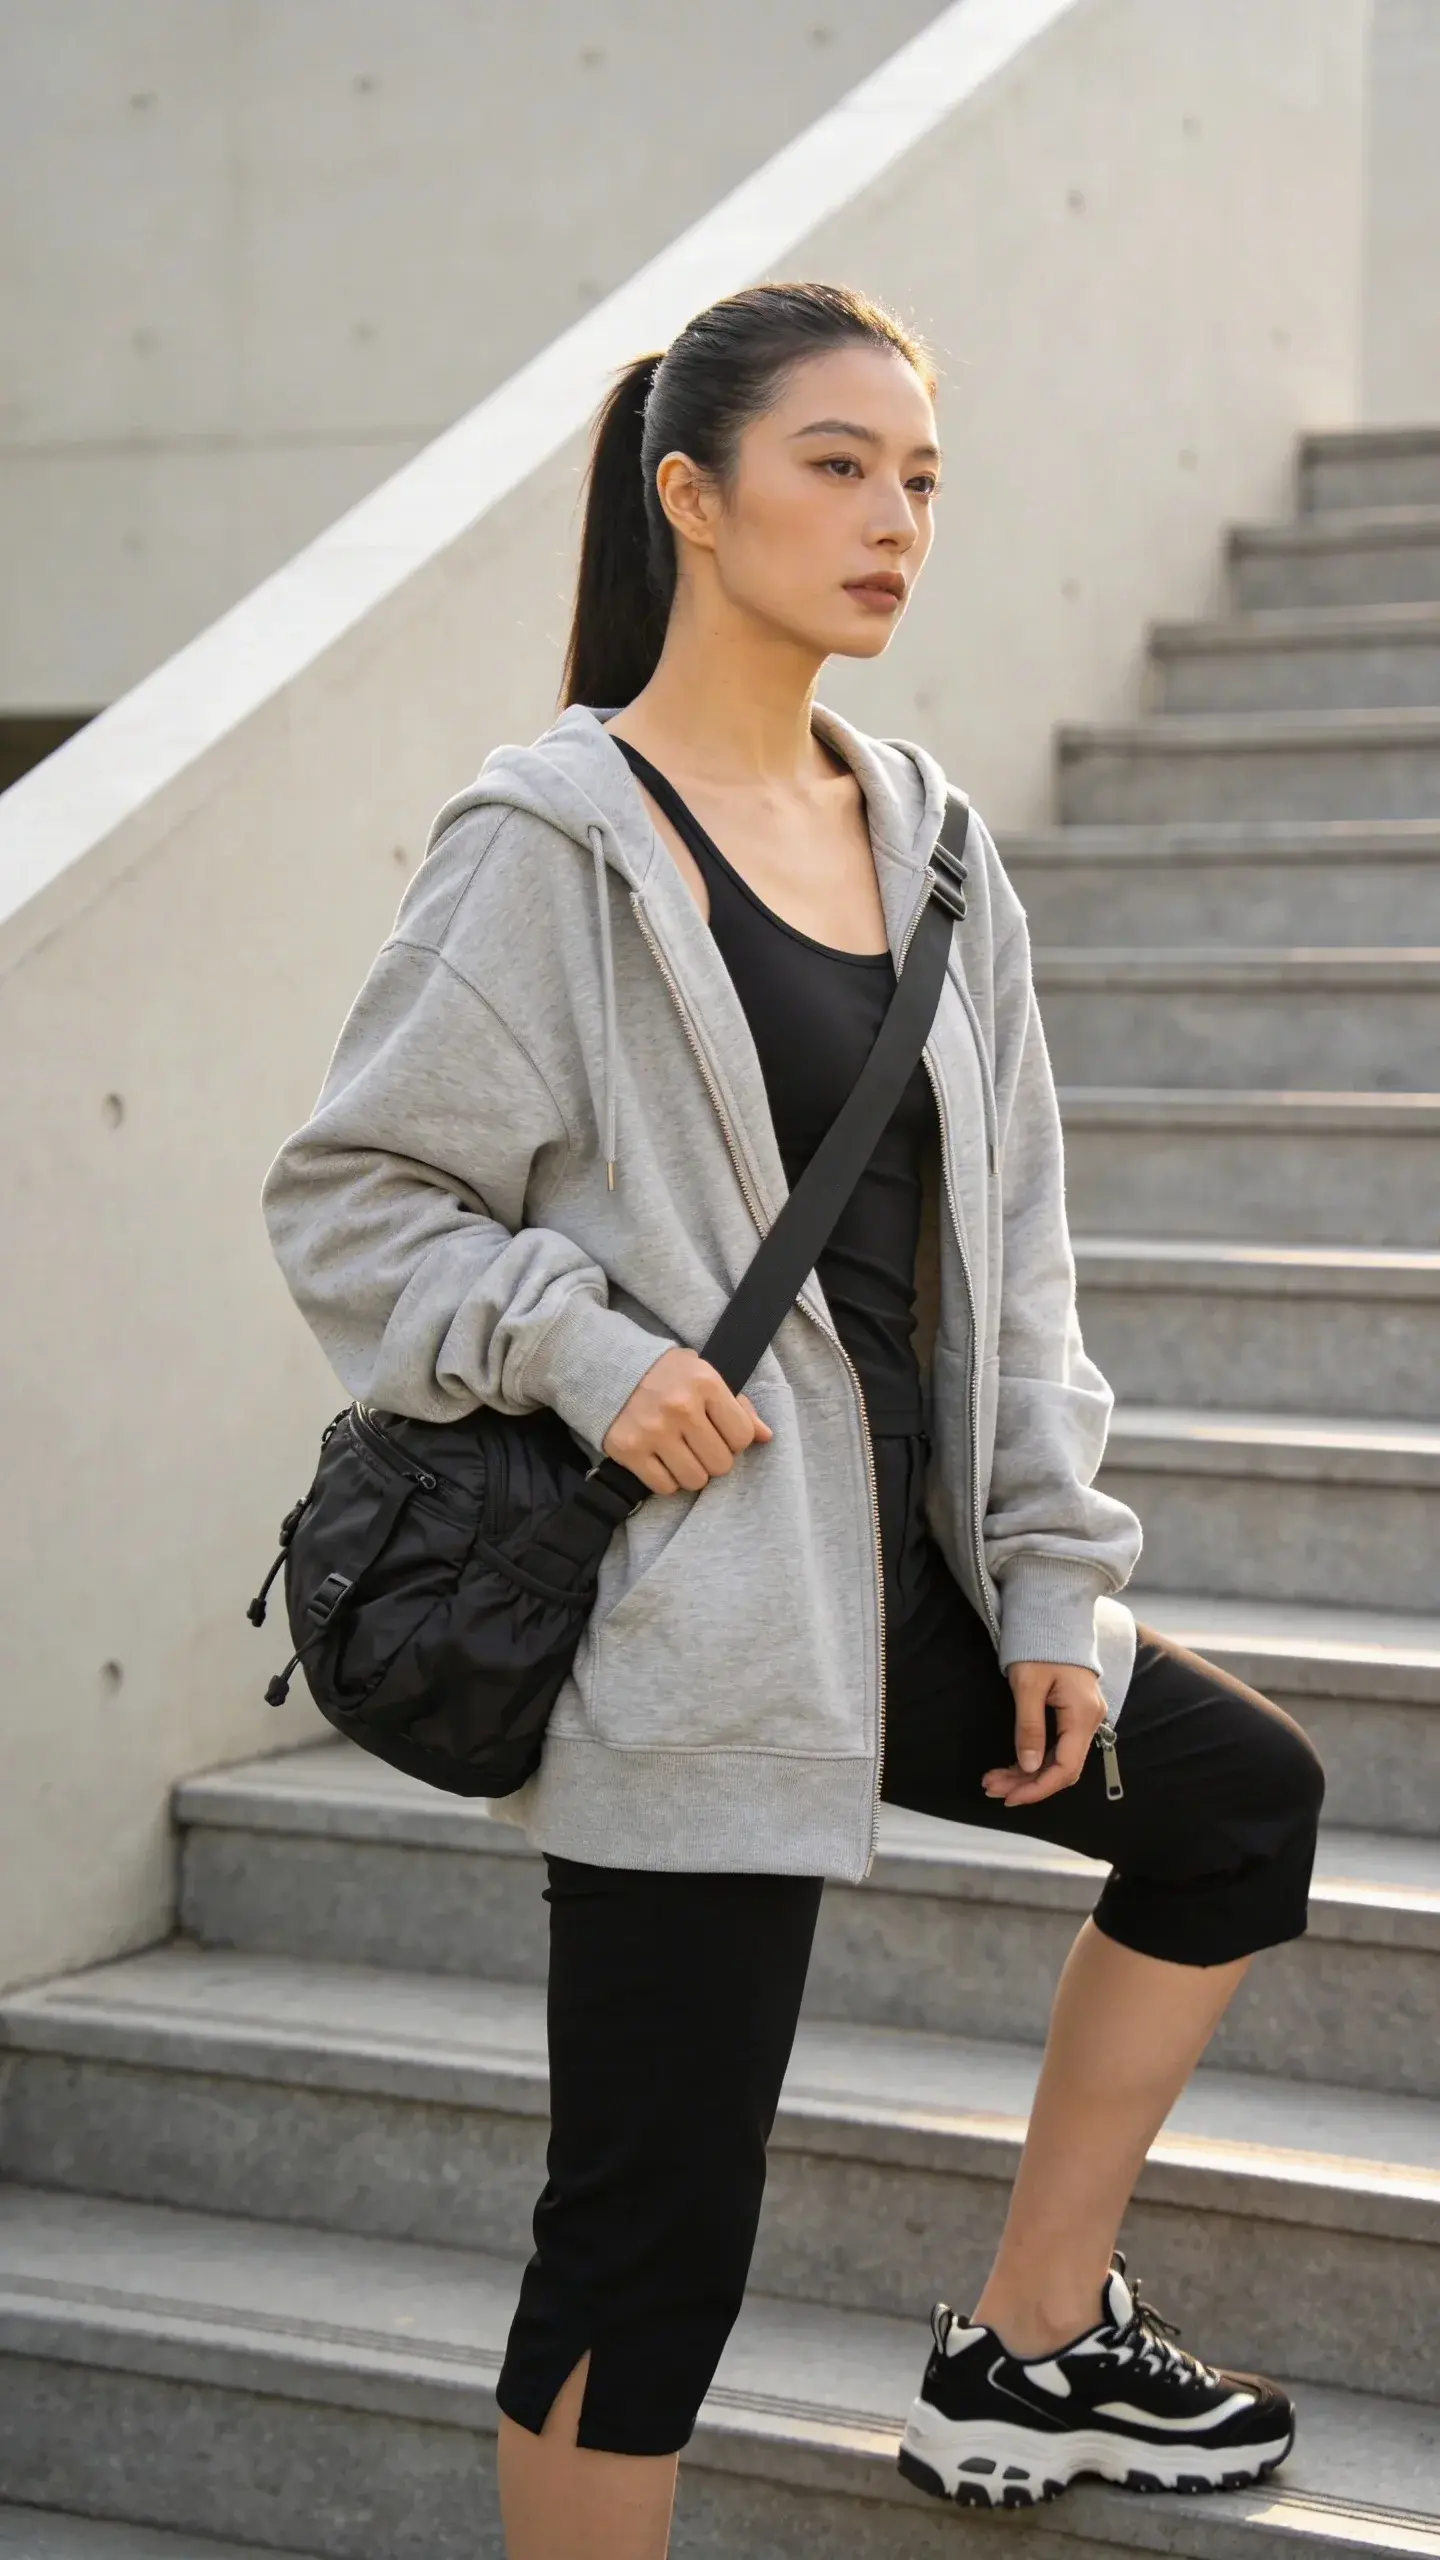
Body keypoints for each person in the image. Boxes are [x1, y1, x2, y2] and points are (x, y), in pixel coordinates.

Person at [262, 281, 1326, 2560]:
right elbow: (355, 1197)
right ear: (690, 494)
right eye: (837, 464)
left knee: (1234, 1800)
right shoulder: (550, 840)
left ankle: (1033, 2344)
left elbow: (1015, 1251)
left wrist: (1055, 1575)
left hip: (915, 1583)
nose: (893, 517)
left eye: (921, 476)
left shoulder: (937, 843)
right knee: (650, 2243)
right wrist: (586, 1347)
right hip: (692, 1617)